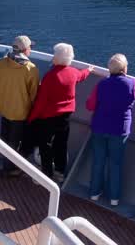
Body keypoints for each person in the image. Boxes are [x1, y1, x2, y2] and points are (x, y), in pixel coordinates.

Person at [85, 53, 135, 205]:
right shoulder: (132, 84)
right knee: (115, 164)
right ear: (124, 69)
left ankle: (94, 194)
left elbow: (90, 105)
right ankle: (114, 198)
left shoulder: (102, 84)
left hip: (99, 128)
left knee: (98, 162)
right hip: (119, 131)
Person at [26, 43, 90, 183]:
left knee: (45, 144)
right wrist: (89, 70)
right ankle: (60, 172)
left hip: (49, 117)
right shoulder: (73, 72)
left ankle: (46, 173)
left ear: (58, 58)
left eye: (54, 54)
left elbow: (41, 101)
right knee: (61, 143)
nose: (53, 57)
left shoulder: (50, 76)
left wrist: (32, 118)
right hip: (65, 117)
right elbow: (81, 75)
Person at [0, 35, 40, 177]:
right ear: (24, 49)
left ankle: (7, 166)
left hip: (3, 108)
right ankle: (10, 170)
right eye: (30, 47)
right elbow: (33, 94)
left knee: (5, 139)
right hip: (21, 112)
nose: (30, 50)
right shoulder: (30, 69)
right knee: (15, 142)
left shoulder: (2, 63)